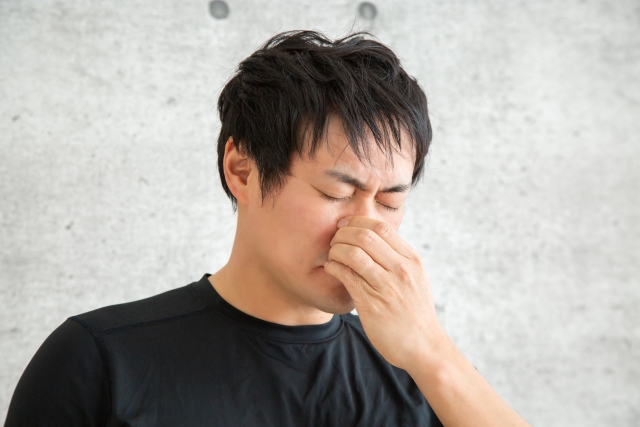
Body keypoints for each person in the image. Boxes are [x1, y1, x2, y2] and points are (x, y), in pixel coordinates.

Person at [4, 30, 530, 426]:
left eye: (391, 201)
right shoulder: (100, 360)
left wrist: (432, 352)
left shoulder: (424, 375)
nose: (366, 230)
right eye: (336, 194)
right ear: (243, 170)